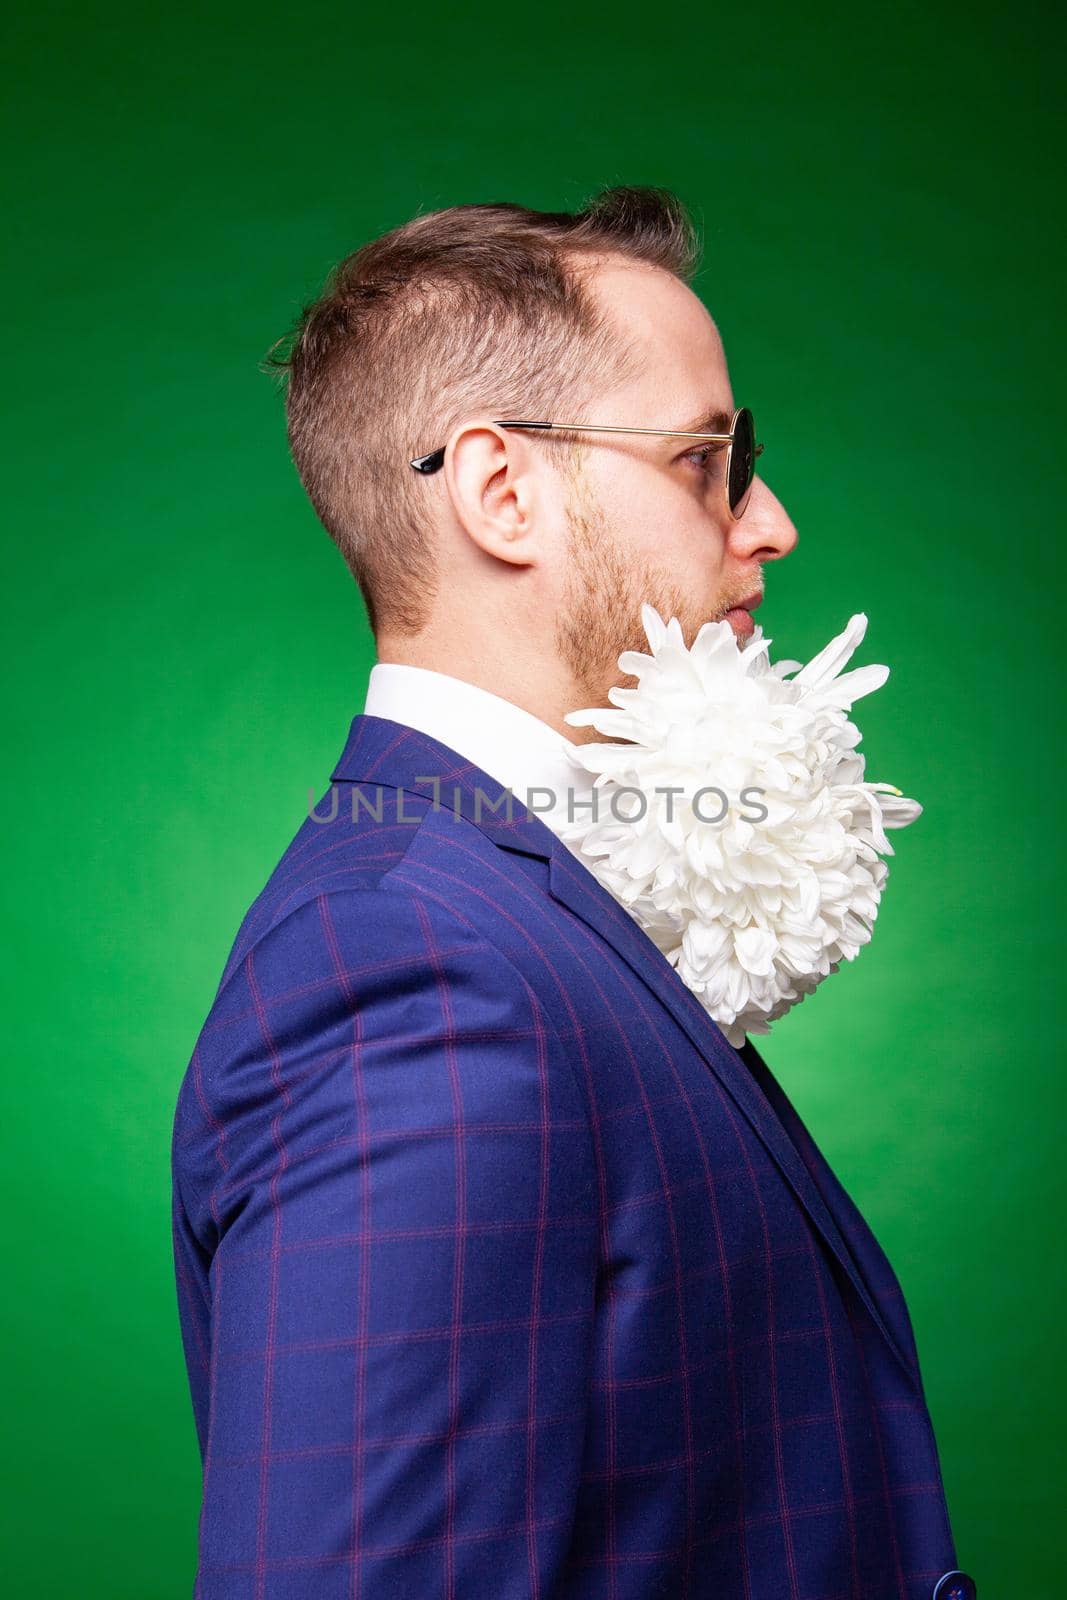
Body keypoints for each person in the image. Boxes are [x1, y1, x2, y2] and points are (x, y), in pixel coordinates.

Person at [170, 186, 975, 1600]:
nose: (769, 522)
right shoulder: (409, 968)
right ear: (502, 490)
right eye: (706, 459)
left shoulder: (514, 911)